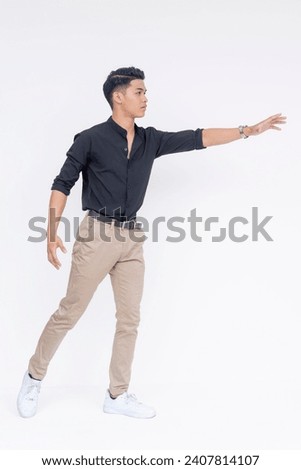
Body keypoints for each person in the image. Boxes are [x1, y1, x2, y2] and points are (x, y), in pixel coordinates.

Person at [17, 66, 286, 419]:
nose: (146, 98)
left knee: (129, 319)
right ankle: (34, 377)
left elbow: (197, 137)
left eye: (145, 92)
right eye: (139, 92)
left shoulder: (150, 140)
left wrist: (247, 131)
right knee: (70, 312)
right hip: (96, 235)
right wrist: (51, 232)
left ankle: (117, 395)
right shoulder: (90, 138)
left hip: (132, 239)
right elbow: (61, 184)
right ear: (118, 96)